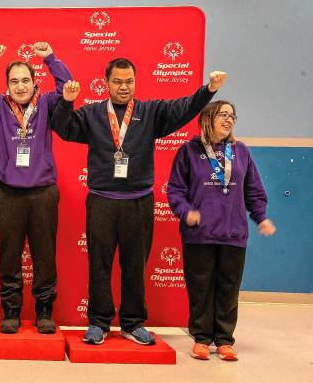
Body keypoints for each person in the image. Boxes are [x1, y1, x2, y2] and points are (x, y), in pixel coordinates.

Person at [51, 57, 227, 346]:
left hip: (139, 202)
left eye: (129, 81)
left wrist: (208, 90)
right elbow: (63, 128)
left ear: (135, 82)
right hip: (102, 201)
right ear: (106, 83)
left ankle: (133, 323)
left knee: (135, 265)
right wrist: (67, 102)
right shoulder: (93, 114)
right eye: (117, 81)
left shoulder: (150, 112)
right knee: (100, 265)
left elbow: (183, 109)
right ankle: (99, 322)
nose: (124, 87)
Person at [0, 43, 76, 334]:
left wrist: (50, 58)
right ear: (7, 86)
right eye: (14, 81)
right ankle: (10, 310)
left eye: (25, 80)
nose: (20, 86)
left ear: (35, 83)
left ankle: (44, 311)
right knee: (8, 254)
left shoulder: (47, 103)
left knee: (44, 254)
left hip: (42, 193)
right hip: (7, 193)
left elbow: (68, 86)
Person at [167, 100, 276, 361]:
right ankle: (202, 339)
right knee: (201, 288)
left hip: (233, 233)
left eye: (232, 116)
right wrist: (186, 212)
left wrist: (260, 217)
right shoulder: (189, 150)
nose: (228, 120)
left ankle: (225, 340)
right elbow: (175, 190)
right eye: (222, 115)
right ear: (207, 118)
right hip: (199, 234)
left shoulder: (241, 151)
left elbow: (253, 189)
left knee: (229, 288)